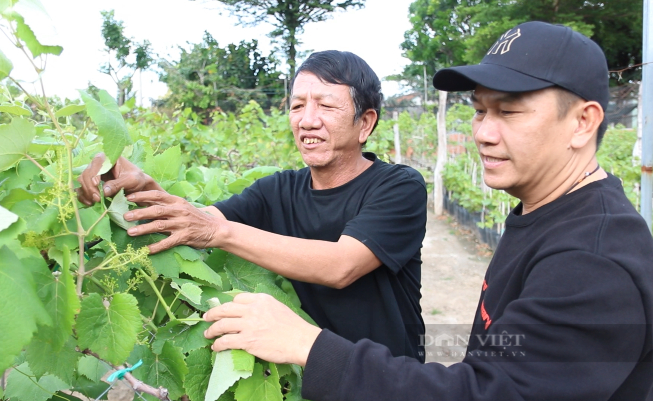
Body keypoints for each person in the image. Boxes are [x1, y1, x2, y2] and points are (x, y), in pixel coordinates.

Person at [202, 21, 653, 400]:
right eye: (479, 111)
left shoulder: (591, 263)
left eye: (509, 112)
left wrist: (309, 345)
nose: (484, 133)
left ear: (583, 122)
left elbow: (481, 394)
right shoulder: (548, 215)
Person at [76, 50, 428, 362]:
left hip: (385, 376)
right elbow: (193, 223)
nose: (307, 120)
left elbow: (341, 266)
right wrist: (140, 186)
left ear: (365, 123)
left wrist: (219, 232)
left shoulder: (398, 187)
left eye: (326, 105)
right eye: (297, 106)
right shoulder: (276, 190)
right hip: (311, 376)